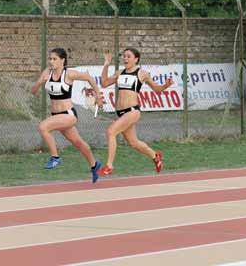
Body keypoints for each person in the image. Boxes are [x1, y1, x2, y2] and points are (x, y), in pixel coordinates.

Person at [31, 48, 104, 183]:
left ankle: (55, 158)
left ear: (62, 60)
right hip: (56, 115)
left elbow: (88, 77)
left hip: (68, 114)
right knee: (78, 143)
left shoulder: (69, 74)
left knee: (43, 127)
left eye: (54, 59)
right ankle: (94, 165)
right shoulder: (47, 73)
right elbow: (33, 91)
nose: (51, 61)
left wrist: (98, 95)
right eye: (50, 59)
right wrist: (41, 81)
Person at [99, 47, 174, 176]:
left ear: (136, 59)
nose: (125, 58)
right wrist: (106, 64)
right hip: (121, 112)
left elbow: (156, 89)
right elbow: (104, 83)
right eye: (124, 56)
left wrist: (166, 85)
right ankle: (155, 156)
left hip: (132, 111)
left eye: (128, 56)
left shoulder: (142, 74)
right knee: (134, 143)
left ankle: (109, 166)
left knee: (111, 131)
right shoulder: (119, 73)